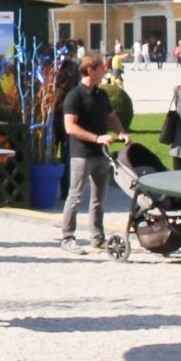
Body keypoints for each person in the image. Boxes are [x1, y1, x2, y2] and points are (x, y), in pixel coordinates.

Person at [58, 51, 127, 253]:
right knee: (75, 196)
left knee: (99, 197)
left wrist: (121, 132)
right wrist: (97, 138)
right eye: (100, 68)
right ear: (90, 70)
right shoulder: (74, 96)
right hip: (81, 154)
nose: (104, 70)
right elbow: (70, 127)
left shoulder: (101, 94)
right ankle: (67, 237)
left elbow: (111, 117)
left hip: (101, 154)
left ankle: (97, 237)